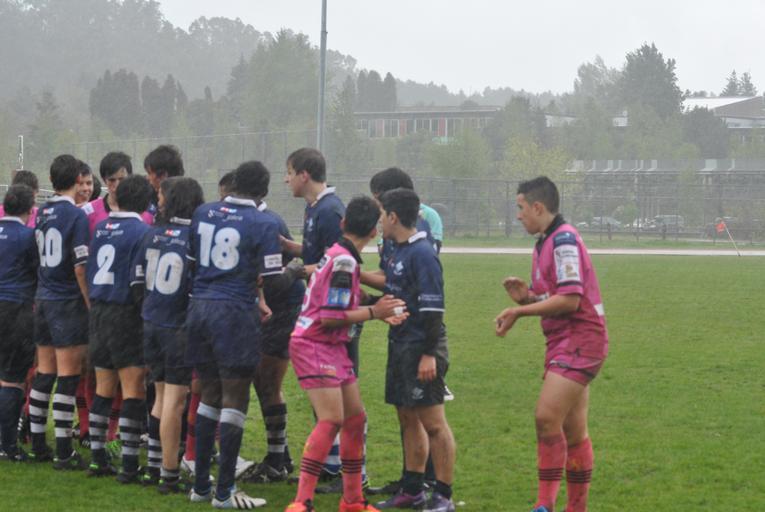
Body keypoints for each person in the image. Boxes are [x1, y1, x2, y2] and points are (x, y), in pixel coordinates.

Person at [285, 196, 407, 512]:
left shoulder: (339, 255)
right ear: (374, 231)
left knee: (355, 419)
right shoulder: (344, 261)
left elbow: (341, 300)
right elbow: (329, 316)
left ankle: (352, 501)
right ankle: (302, 502)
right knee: (331, 420)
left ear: (343, 224)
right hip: (315, 344)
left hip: (331, 345)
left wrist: (377, 305)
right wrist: (375, 312)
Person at [494, 176, 608, 512]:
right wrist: (528, 297)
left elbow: (571, 300)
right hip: (564, 341)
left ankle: (544, 506)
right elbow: (558, 295)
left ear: (537, 207)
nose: (518, 215)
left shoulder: (563, 240)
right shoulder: (545, 241)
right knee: (574, 432)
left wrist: (520, 310)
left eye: (520, 208)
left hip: (581, 340)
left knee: (546, 418)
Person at [186, 162, 285, 509]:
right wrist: (300, 269)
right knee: (235, 397)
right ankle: (225, 491)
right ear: (263, 192)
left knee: (209, 393)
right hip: (233, 312)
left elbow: (193, 263)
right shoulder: (264, 222)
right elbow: (274, 279)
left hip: (199, 308)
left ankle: (201, 487)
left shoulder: (204, 212)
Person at [374, 188, 456, 512]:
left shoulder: (422, 253)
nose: (380, 221)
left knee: (433, 422)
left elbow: (434, 310)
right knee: (408, 417)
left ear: (393, 217)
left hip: (422, 346)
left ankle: (444, 496)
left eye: (382, 214)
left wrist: (429, 354)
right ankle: (412, 490)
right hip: (400, 344)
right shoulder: (398, 251)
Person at [225, 164, 306, 484]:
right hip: (258, 310)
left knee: (267, 382)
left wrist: (289, 273)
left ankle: (276, 461)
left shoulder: (268, 222)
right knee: (260, 382)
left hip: (280, 309)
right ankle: (280, 455)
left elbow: (279, 276)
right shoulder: (244, 219)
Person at [132, 176, 205, 493]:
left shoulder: (151, 233)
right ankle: (169, 474)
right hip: (177, 327)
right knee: (175, 402)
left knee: (161, 396)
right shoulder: (193, 237)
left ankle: (155, 464)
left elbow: (137, 280)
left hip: (151, 321)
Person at [282, 147, 349, 483]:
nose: (286, 180)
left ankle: (339, 469)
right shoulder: (314, 208)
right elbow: (316, 254)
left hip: (333, 314)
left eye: (289, 173)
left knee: (336, 392)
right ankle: (329, 464)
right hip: (318, 310)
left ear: (304, 175)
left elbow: (336, 264)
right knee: (323, 390)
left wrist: (295, 271)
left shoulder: (330, 210)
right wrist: (287, 246)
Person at [85, 175, 154, 482]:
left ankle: (98, 458)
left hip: (99, 311)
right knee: (133, 389)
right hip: (126, 312)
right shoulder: (143, 232)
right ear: (145, 202)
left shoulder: (101, 227)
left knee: (103, 387)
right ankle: (129, 464)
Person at [28, 155, 91, 468]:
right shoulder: (76, 215)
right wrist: (90, 303)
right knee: (68, 376)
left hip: (43, 298)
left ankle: (38, 444)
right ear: (78, 179)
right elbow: (80, 266)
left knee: (44, 373)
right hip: (66, 301)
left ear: (52, 180)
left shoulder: (42, 212)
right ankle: (64, 451)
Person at [0, 185, 39, 461]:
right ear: (30, 208)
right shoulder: (28, 237)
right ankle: (7, 445)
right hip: (16, 308)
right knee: (12, 379)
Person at [83, 151, 154, 236]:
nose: (117, 185)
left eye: (122, 179)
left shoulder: (149, 211)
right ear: (104, 180)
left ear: (130, 177)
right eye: (112, 180)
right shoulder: (89, 211)